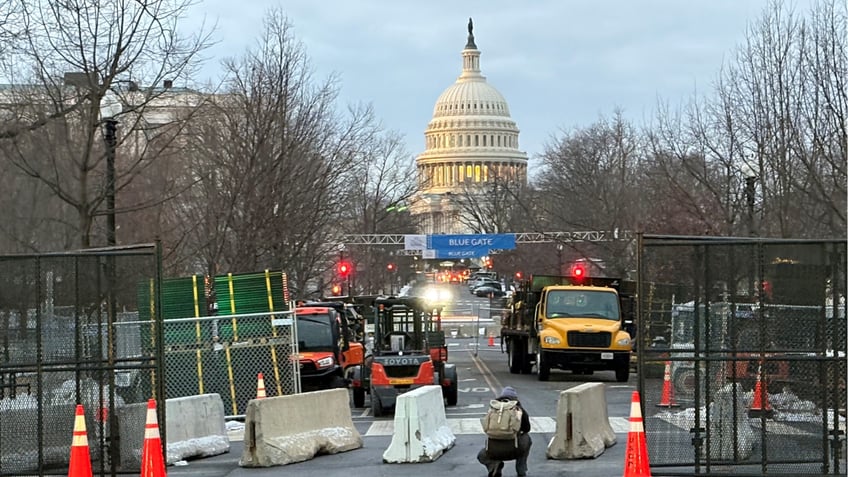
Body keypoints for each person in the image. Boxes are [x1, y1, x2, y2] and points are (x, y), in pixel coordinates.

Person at [477, 386, 532, 477]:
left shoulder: (493, 409)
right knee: (527, 439)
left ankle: (494, 465)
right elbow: (527, 429)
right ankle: (521, 469)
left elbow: (486, 428)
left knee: (481, 455)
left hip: (493, 451)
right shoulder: (518, 409)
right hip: (514, 449)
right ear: (515, 399)